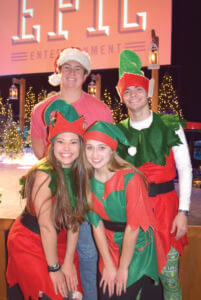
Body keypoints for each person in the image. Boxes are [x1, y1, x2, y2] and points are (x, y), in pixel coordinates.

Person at [30, 47, 114, 300]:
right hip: (56, 191)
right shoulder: (42, 109)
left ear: (86, 75)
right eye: (67, 67)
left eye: (78, 68)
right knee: (54, 246)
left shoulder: (100, 109)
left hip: (88, 191)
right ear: (58, 71)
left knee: (87, 250)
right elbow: (39, 151)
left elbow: (109, 153)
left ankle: (88, 295)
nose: (72, 73)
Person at [116, 49, 192, 300]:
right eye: (127, 91)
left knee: (169, 278)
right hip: (133, 215)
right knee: (136, 279)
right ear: (122, 97)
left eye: (138, 89)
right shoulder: (118, 132)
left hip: (167, 211)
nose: (133, 95)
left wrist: (183, 212)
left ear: (147, 92)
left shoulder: (170, 124)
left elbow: (185, 169)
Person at [7, 100, 87, 300]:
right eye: (60, 141)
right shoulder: (44, 174)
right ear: (52, 143)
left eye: (73, 141)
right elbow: (46, 227)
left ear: (80, 144)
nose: (66, 148)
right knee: (53, 293)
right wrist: (54, 268)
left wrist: (68, 261)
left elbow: (74, 221)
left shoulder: (79, 172)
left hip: (58, 240)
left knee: (74, 293)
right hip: (30, 241)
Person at [83, 121, 165, 300]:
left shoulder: (130, 178)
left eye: (101, 148)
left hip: (137, 248)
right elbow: (96, 225)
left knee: (124, 292)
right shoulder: (86, 180)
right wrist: (108, 264)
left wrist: (122, 268)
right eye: (89, 147)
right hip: (109, 244)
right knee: (106, 293)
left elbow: (133, 227)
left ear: (112, 150)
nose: (94, 154)